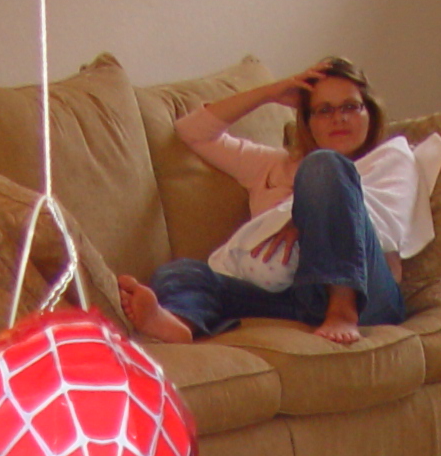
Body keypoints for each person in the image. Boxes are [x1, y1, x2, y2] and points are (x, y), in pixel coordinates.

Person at [118, 59, 418, 347]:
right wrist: (269, 93)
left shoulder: (391, 157)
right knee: (184, 271)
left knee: (326, 164)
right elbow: (192, 131)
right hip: (290, 297)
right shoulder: (272, 166)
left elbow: (387, 229)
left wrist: (306, 215)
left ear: (370, 112)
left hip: (368, 295)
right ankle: (179, 323)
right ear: (307, 121)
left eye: (350, 107)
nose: (338, 118)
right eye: (323, 110)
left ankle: (342, 311)